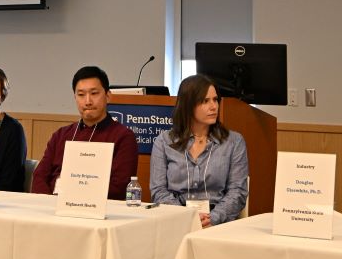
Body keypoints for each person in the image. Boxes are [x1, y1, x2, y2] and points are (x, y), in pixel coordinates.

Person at [150, 75, 249, 226]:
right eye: (205, 101)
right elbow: (159, 191)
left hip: (218, 222)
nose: (213, 106)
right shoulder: (163, 142)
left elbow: (238, 192)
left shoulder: (234, 142)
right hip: (175, 220)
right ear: (188, 105)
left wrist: (214, 217)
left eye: (215, 100)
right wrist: (185, 217)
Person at [31, 66, 138, 200]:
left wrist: (74, 196)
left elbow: (120, 187)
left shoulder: (123, 137)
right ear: (75, 97)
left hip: (99, 210)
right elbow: (39, 176)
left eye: (94, 93)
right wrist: (47, 202)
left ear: (108, 96)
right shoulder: (61, 135)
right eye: (81, 95)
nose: (87, 101)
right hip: (54, 206)